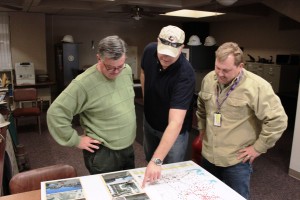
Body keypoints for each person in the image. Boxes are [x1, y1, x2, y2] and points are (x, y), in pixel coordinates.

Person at [196, 42, 288, 199]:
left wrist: (258, 148)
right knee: (207, 196)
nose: (220, 73)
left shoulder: (257, 87)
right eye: (217, 67)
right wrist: (202, 130)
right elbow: (201, 108)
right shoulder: (208, 79)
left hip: (236, 160)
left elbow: (278, 120)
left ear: (240, 66)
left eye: (226, 70)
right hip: (208, 155)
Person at [47, 35, 136, 174]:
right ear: (99, 58)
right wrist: (75, 140)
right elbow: (55, 113)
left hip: (128, 146)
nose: (117, 72)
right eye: (111, 67)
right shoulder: (83, 83)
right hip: (104, 152)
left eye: (120, 66)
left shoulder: (127, 71)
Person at [140, 25, 196, 187]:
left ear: (181, 48)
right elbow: (143, 71)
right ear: (157, 42)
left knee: (169, 172)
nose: (165, 58)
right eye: (162, 52)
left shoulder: (185, 74)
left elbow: (175, 123)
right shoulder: (149, 50)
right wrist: (147, 100)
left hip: (173, 131)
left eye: (171, 54)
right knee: (149, 160)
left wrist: (157, 161)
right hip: (150, 121)